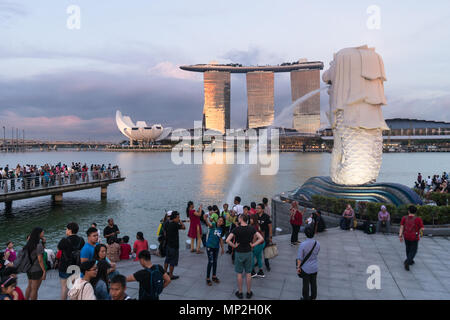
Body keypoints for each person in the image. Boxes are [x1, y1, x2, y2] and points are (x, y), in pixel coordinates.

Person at [226, 214, 264, 299]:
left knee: (239, 273)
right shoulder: (252, 228)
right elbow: (261, 238)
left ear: (241, 219)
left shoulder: (236, 229)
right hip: (248, 252)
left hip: (239, 252)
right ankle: (248, 292)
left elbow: (227, 240)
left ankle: (240, 293)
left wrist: (234, 246)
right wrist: (253, 245)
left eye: (238, 218)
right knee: (248, 273)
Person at [57, 222, 85, 300]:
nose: (66, 231)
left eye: (67, 229)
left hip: (64, 267)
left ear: (70, 230)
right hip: (76, 266)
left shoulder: (64, 240)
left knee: (64, 287)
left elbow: (59, 249)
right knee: (74, 287)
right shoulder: (81, 240)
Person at [296, 225, 320, 300]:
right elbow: (316, 253)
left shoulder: (302, 245)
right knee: (313, 284)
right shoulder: (317, 243)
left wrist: (298, 267)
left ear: (305, 234)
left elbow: (299, 258)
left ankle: (306, 298)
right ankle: (313, 297)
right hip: (314, 267)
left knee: (305, 284)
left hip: (305, 268)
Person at [23, 227, 46, 300]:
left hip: (29, 269)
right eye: (42, 232)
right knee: (34, 289)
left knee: (29, 286)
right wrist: (44, 271)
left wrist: (43, 242)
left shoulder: (28, 244)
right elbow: (40, 259)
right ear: (38, 234)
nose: (43, 233)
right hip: (36, 269)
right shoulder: (38, 245)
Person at [399, 205, 424, 271]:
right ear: (415, 212)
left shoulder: (404, 218)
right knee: (413, 250)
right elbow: (422, 228)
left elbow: (401, 227)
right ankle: (408, 261)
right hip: (414, 237)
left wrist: (400, 235)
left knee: (408, 248)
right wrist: (421, 234)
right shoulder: (418, 219)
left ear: (408, 211)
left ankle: (410, 260)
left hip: (406, 236)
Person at [205, 215, 225, 286]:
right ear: (217, 220)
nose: (220, 222)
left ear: (223, 223)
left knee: (215, 262)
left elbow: (220, 239)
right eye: (219, 220)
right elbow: (209, 225)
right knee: (210, 261)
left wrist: (222, 248)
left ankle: (214, 276)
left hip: (216, 247)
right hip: (209, 246)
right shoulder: (213, 225)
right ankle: (207, 278)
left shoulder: (221, 229)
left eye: (221, 221)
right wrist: (206, 219)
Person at [256, 203, 273, 271]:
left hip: (265, 236)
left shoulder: (266, 216)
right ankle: (258, 262)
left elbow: (270, 227)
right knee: (257, 251)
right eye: (257, 208)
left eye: (259, 208)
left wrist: (270, 236)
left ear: (262, 209)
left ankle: (267, 264)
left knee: (266, 251)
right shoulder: (255, 216)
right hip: (257, 237)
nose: (257, 209)